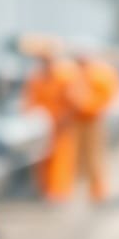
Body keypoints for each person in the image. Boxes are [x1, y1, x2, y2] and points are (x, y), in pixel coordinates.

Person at [22, 41, 82, 201]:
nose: (45, 63)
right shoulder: (37, 77)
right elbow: (30, 100)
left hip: (61, 124)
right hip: (42, 124)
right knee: (42, 158)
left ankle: (59, 191)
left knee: (61, 158)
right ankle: (46, 190)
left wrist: (66, 117)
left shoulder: (65, 76)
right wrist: (31, 118)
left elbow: (74, 101)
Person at [67, 51, 119, 202]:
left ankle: (98, 191)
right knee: (77, 156)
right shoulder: (78, 74)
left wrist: (85, 103)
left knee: (94, 156)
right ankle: (81, 189)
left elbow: (106, 97)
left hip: (93, 120)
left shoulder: (99, 74)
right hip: (78, 119)